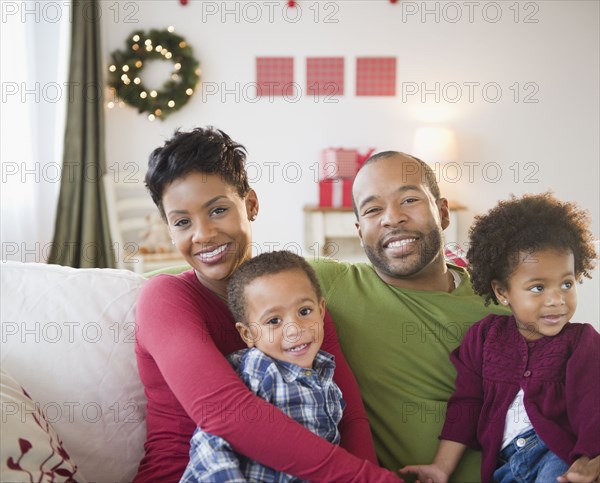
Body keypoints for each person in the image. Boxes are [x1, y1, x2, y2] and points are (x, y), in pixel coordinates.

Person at [134, 127, 401, 482]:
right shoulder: (164, 298)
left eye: (217, 210)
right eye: (183, 222)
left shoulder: (296, 300)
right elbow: (226, 412)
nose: (202, 234)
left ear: (251, 205)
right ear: (170, 230)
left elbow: (349, 415)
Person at [309, 151, 510, 481]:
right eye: (374, 210)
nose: (392, 218)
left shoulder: (500, 300)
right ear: (360, 232)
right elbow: (215, 272)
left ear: (442, 213)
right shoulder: (333, 284)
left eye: (409, 199)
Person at [400, 193, 600, 483]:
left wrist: (588, 459)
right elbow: (466, 404)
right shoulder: (484, 337)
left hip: (557, 457)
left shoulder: (581, 340)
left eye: (566, 284)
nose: (557, 300)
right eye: (537, 288)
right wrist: (441, 467)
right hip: (503, 467)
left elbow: (593, 404)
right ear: (502, 292)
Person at [181, 250, 347, 482]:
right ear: (248, 334)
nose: (294, 329)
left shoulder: (328, 380)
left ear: (321, 310)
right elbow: (211, 441)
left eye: (304, 311)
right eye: (274, 321)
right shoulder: (259, 369)